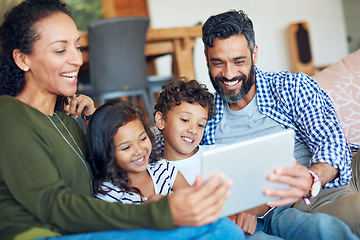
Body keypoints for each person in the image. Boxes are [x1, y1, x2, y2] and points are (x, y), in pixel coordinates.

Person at [0, 1, 245, 239]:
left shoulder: (64, 116)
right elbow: (53, 206)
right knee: (220, 232)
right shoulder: (9, 114)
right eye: (60, 49)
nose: (77, 59)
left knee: (220, 227)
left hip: (86, 229)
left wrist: (94, 117)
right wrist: (156, 212)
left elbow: (105, 158)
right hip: (43, 234)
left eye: (77, 46)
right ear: (23, 59)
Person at [200, 9, 360, 237]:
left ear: (254, 54)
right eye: (218, 63)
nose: (229, 74)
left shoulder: (290, 87)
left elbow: (330, 140)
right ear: (206, 58)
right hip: (270, 214)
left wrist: (310, 178)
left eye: (239, 61)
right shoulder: (204, 116)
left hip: (321, 189)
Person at [154, 79, 359, 239]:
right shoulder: (156, 175)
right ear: (160, 120)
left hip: (270, 214)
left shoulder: (218, 151)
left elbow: (256, 188)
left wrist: (250, 209)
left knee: (318, 227)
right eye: (184, 120)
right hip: (233, 230)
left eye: (201, 124)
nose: (193, 130)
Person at [86, 100, 189, 204]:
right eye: (126, 147)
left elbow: (192, 202)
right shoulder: (109, 194)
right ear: (106, 153)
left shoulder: (165, 170)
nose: (139, 151)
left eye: (143, 139)